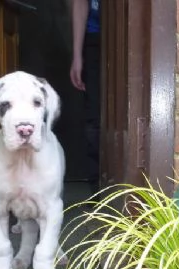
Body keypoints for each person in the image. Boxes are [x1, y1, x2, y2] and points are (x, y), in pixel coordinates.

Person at [70, 0, 101, 190]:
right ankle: (96, 186)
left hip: (127, 35)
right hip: (94, 38)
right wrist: (77, 56)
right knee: (94, 116)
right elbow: (80, 3)